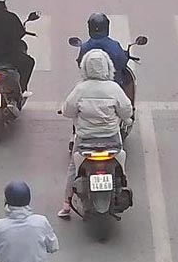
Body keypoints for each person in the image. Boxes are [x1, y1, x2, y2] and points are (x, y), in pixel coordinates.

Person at [57, 50, 134, 218]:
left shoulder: (80, 89)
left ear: (85, 68)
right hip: (111, 138)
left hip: (85, 140)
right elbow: (127, 111)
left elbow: (68, 111)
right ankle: (121, 183)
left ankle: (66, 204)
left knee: (73, 167)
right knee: (121, 163)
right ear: (108, 67)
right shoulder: (114, 88)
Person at [75, 13, 130, 90]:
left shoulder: (85, 47)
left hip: (90, 86)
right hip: (113, 85)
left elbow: (80, 65)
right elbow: (121, 63)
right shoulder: (114, 45)